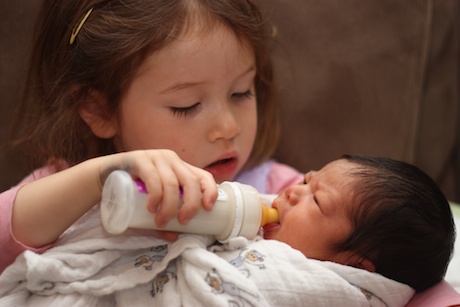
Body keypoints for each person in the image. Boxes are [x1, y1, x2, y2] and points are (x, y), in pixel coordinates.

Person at [0, 0, 302, 274]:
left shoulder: (283, 194)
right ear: (99, 110)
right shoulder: (69, 191)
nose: (228, 127)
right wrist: (96, 181)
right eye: (186, 106)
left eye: (241, 92)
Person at [0, 155, 455, 306]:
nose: (296, 191)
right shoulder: (61, 178)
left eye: (316, 199)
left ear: (354, 267)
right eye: (309, 179)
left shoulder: (311, 279)